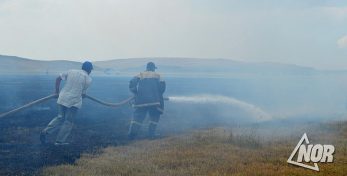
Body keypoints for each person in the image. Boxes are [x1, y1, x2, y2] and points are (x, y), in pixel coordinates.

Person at [40, 61, 93, 145]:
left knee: (60, 117)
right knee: (68, 121)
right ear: (90, 70)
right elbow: (82, 94)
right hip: (74, 102)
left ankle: (45, 131)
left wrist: (57, 92)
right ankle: (59, 141)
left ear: (82, 67)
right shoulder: (88, 79)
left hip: (62, 97)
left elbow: (58, 79)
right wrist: (83, 95)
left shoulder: (71, 71)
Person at [128, 62, 166, 140]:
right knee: (154, 117)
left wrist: (135, 92)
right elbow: (162, 88)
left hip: (141, 101)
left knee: (137, 118)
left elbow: (132, 83)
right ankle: (151, 135)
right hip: (154, 102)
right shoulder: (158, 75)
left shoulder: (140, 74)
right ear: (153, 68)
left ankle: (132, 135)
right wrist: (157, 94)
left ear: (147, 68)